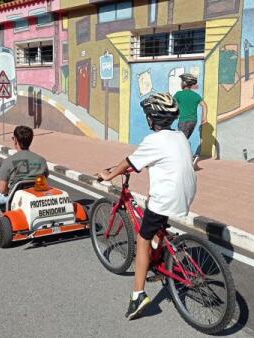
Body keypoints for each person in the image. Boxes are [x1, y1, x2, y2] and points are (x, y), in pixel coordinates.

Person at [98, 93, 197, 320]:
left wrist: (109, 174)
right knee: (157, 225)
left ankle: (138, 296)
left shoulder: (153, 140)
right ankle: (161, 255)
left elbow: (129, 162)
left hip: (167, 198)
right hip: (187, 193)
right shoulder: (180, 135)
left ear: (151, 118)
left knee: (142, 240)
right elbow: (154, 160)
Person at [0, 126, 49, 206]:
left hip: (13, 198)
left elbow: (2, 190)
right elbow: (44, 179)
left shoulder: (9, 161)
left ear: (15, 140)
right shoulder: (42, 160)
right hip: (35, 196)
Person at [174, 73, 207, 169]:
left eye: (181, 82)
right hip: (193, 121)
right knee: (183, 139)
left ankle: (190, 160)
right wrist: (204, 118)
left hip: (183, 121)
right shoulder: (195, 95)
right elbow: (204, 105)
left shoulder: (179, 94)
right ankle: (187, 159)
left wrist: (174, 114)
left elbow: (172, 104)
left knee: (182, 140)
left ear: (184, 83)